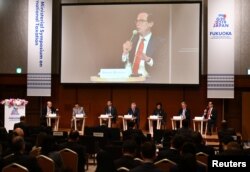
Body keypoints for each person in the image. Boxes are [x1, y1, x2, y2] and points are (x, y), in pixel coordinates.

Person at [122, 12, 168, 82]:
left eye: (142, 21)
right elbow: (121, 66)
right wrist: (125, 53)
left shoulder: (160, 43)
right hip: (130, 81)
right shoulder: (132, 41)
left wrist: (148, 60)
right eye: (137, 21)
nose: (137, 24)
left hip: (149, 82)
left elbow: (163, 67)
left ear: (151, 24)